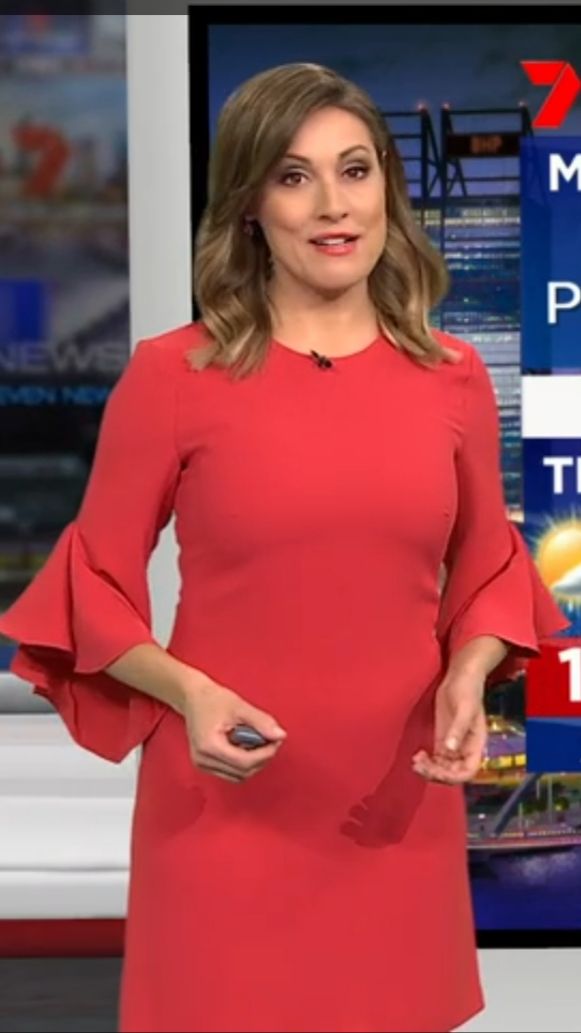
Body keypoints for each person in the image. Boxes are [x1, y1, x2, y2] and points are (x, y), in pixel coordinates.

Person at [0, 62, 571, 1033]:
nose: (332, 205)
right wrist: (187, 692)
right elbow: (90, 585)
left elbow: (486, 567)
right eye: (293, 176)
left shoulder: (453, 377)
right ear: (249, 203)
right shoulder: (172, 375)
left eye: (354, 170)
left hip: (396, 807)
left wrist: (468, 672)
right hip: (224, 807)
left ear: (386, 186)